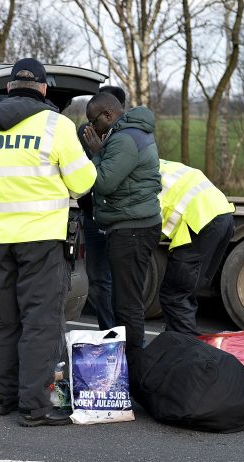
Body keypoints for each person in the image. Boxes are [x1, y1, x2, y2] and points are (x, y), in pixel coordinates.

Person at [0, 58, 97, 427]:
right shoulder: (57, 126)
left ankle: (0, 398)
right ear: (43, 89)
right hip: (41, 238)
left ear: (9, 87)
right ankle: (35, 407)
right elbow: (83, 183)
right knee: (39, 323)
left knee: (2, 319)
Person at [82, 92, 162, 355]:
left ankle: (134, 366)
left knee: (127, 304)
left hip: (132, 230)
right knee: (126, 300)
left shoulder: (124, 139)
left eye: (94, 121)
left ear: (108, 115)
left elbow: (104, 181)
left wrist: (96, 153)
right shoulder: (130, 133)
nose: (93, 128)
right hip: (133, 226)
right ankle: (128, 360)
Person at [158, 159, 235, 336]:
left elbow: (150, 221)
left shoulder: (141, 177)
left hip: (201, 223)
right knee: (185, 291)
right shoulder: (162, 164)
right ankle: (177, 343)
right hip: (223, 215)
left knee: (175, 294)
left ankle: (185, 350)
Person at [76, 84, 126, 329]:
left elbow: (115, 174)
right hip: (92, 215)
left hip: (120, 218)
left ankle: (125, 331)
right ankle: (109, 332)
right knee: (98, 279)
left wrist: (101, 151)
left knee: (121, 278)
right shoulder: (83, 133)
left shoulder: (127, 135)